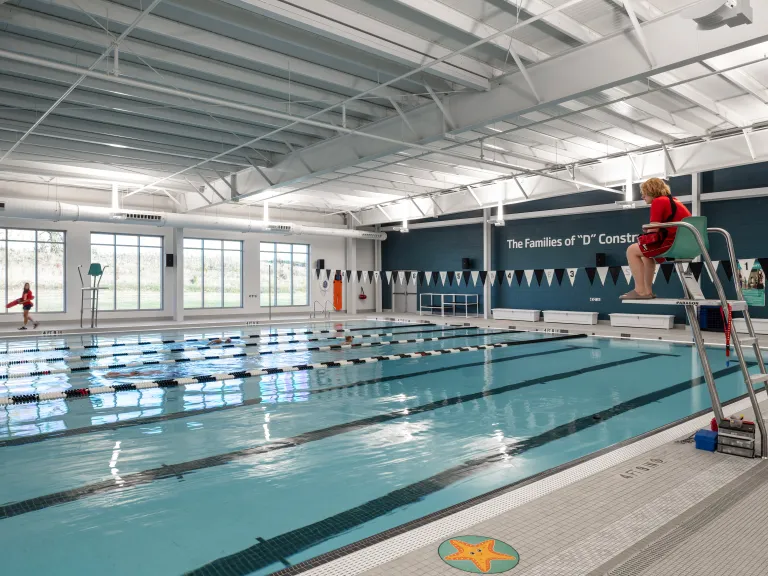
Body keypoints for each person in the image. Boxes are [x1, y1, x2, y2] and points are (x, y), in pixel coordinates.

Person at [621, 178, 691, 300]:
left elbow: (654, 230)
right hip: (685, 242)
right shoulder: (675, 201)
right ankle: (647, 291)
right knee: (646, 254)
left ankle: (640, 290)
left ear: (652, 191)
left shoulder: (659, 201)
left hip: (673, 243)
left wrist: (647, 230)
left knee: (631, 250)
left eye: (644, 192)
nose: (642, 196)